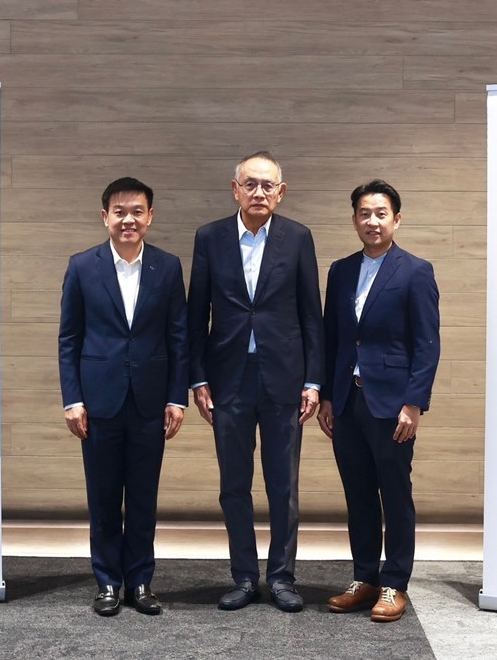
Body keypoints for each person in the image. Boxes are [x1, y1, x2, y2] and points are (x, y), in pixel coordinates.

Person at [187, 151, 323, 612]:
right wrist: (197, 378)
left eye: (268, 185)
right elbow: (196, 314)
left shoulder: (298, 238)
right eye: (251, 184)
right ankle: (244, 576)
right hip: (228, 380)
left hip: (285, 379)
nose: (259, 192)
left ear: (280, 193)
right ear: (235, 189)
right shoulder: (209, 237)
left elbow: (311, 314)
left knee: (283, 486)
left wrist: (314, 381)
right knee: (233, 485)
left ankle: (282, 577)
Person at [58, 177, 189, 617]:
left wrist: (177, 397)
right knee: (103, 497)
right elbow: (69, 338)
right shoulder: (82, 266)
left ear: (150, 216)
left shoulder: (167, 267)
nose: (128, 219)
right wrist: (72, 399)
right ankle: (108, 582)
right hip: (98, 403)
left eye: (137, 211)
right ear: (105, 217)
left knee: (143, 498)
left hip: (150, 401)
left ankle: (141, 581)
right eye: (119, 212)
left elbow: (178, 337)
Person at [317, 179, 440, 623]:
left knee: (395, 493)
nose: (372, 221)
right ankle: (365, 578)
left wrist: (414, 403)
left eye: (381, 214)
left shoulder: (415, 271)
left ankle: (395, 583)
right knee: (358, 493)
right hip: (347, 402)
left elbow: (427, 344)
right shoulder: (341, 270)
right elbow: (332, 338)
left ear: (396, 219)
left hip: (392, 405)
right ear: (354, 219)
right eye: (364, 214)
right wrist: (327, 396)